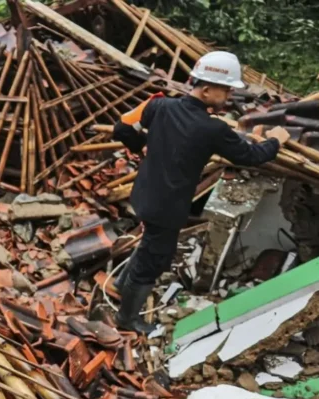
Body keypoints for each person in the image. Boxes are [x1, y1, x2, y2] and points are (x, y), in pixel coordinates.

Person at [111, 51, 290, 334]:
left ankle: (122, 284)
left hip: (144, 194)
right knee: (155, 259)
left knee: (150, 242)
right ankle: (127, 319)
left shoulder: (158, 106)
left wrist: (141, 145)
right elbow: (253, 156)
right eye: (226, 90)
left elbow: (120, 126)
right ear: (206, 90)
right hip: (168, 207)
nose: (229, 95)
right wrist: (276, 142)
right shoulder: (212, 129)